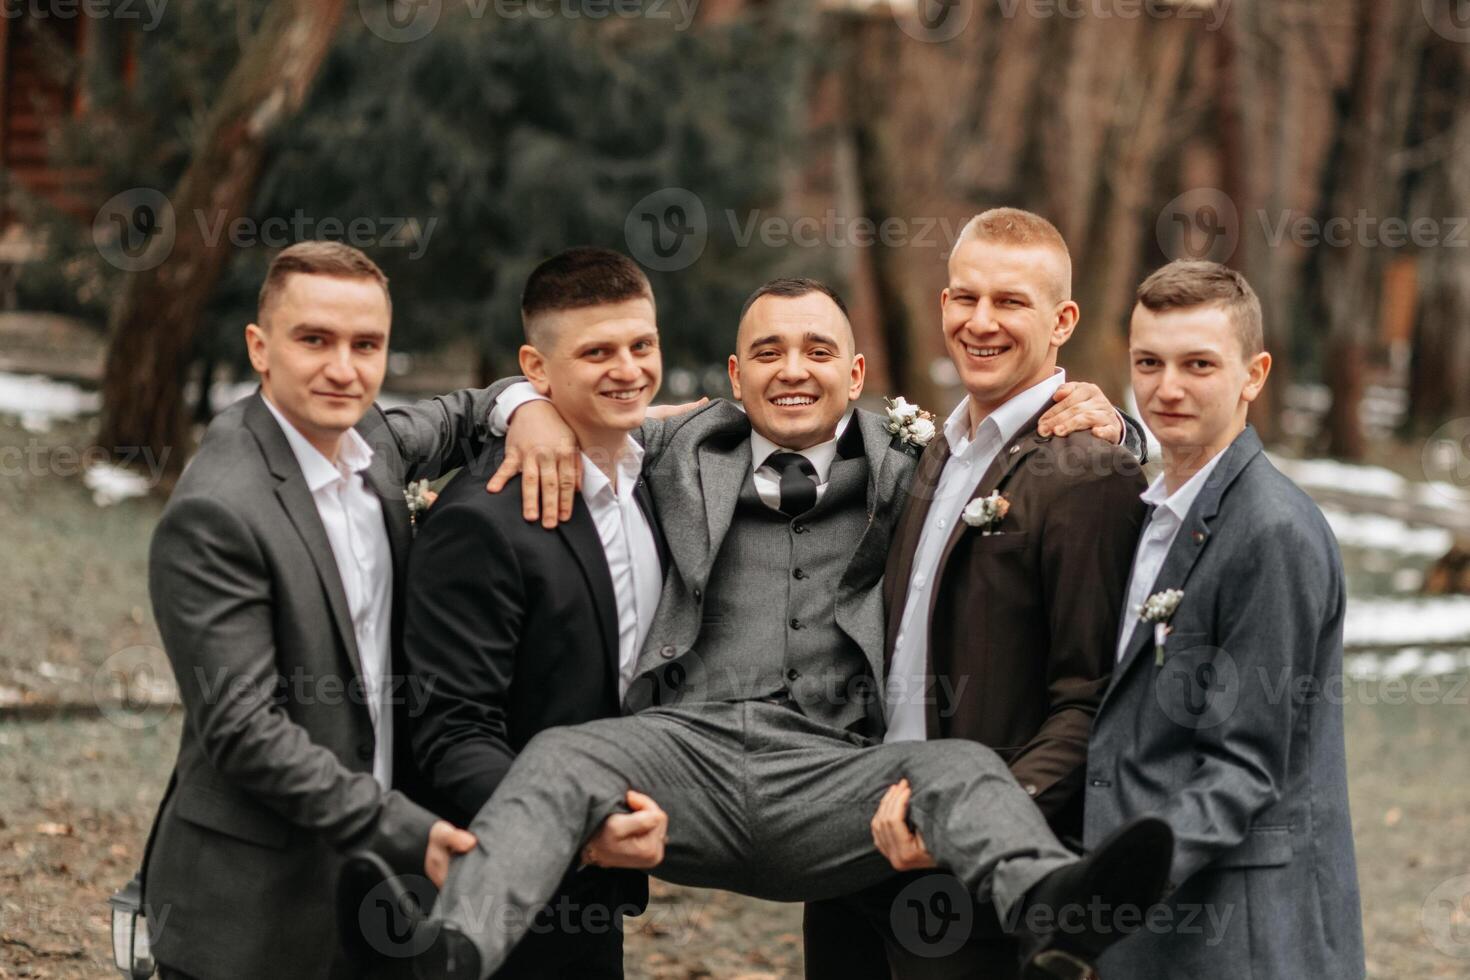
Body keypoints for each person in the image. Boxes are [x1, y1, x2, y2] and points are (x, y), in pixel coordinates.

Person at [345, 263, 1176, 980]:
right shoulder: (673, 451)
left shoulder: (915, 461)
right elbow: (579, 390)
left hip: (832, 774)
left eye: (818, 352)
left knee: (957, 767)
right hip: (685, 756)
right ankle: (453, 947)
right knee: (563, 755)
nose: (794, 371)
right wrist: (522, 402)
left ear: (856, 374)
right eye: (770, 352)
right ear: (735, 377)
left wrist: (1119, 422)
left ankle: (1053, 902)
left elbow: (1012, 444)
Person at [804, 208, 1149, 979]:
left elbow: (1089, 700)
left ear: (1062, 321)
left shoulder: (1088, 472)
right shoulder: (927, 449)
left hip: (972, 880)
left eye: (1010, 303)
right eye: (965, 297)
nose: (980, 322)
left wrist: (970, 823)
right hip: (854, 844)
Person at [141, 241, 491, 980]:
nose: (344, 368)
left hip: (373, 906)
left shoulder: (369, 442)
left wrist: (530, 409)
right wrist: (403, 830)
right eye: (315, 340)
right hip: (251, 912)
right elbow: (244, 731)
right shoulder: (219, 511)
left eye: (366, 345)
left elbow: (464, 414)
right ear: (260, 349)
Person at [1084, 260, 1365, 978]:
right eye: (1148, 362)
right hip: (1153, 925)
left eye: (1198, 364)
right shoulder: (1156, 518)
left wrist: (1113, 882)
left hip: (1233, 932)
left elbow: (1246, 763)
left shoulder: (1272, 531)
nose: (1166, 387)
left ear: (1254, 374)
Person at [399, 248, 672, 977]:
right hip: (494, 889)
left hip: (595, 895)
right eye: (597, 352)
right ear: (537, 368)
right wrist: (581, 832)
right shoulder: (481, 520)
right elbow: (453, 731)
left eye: (641, 345)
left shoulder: (659, 477)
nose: (629, 369)